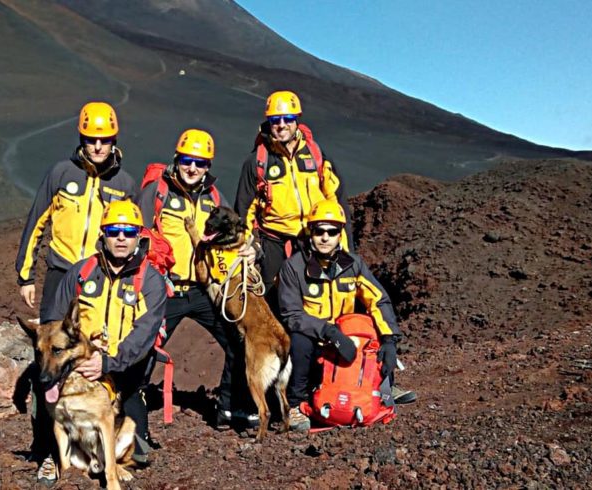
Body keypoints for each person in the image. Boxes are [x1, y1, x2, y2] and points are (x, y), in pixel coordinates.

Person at [14, 102, 137, 484]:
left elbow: (131, 235)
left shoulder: (125, 184)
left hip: (99, 274)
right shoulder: (61, 173)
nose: (97, 146)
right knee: (46, 363)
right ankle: (48, 452)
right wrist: (25, 275)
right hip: (61, 270)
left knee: (98, 349)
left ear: (114, 140)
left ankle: (108, 432)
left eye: (104, 140)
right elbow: (37, 221)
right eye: (91, 139)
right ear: (81, 138)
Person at [38, 200, 168, 484]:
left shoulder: (150, 281)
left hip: (125, 372)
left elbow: (144, 335)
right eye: (113, 230)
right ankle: (51, 454)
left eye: (129, 231)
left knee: (140, 454)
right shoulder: (82, 272)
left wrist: (108, 362)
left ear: (138, 236)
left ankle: (101, 458)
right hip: (80, 365)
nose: (121, 237)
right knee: (48, 385)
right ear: (103, 234)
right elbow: (53, 318)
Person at [137, 129, 256, 429]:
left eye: (201, 163)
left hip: (205, 290)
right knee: (144, 345)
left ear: (208, 167)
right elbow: (136, 233)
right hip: (167, 288)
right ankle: (129, 407)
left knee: (238, 340)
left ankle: (230, 408)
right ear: (177, 159)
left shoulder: (213, 197)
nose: (193, 168)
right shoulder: (158, 191)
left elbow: (237, 231)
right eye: (188, 160)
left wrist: (251, 252)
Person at [278, 200, 417, 431]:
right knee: (299, 342)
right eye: (319, 230)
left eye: (331, 231)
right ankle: (295, 405)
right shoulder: (294, 267)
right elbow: (291, 313)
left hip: (348, 338)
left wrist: (390, 340)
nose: (325, 237)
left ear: (339, 234)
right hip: (317, 339)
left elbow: (378, 299)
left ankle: (383, 386)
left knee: (373, 330)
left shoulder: (353, 264)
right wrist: (328, 331)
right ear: (310, 232)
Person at [234, 90, 352, 315]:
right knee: (271, 297)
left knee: (317, 294)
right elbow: (244, 210)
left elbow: (337, 201)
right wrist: (247, 248)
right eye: (275, 120)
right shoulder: (257, 161)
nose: (281, 125)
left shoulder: (316, 155)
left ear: (297, 120)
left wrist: (345, 247)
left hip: (313, 238)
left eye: (287, 119)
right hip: (274, 241)